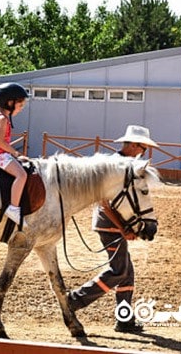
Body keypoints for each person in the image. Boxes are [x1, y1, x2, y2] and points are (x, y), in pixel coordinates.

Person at [67, 124, 159, 333]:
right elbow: (104, 203)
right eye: (143, 148)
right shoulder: (115, 165)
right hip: (108, 225)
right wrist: (122, 227)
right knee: (119, 271)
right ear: (134, 145)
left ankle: (124, 318)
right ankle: (74, 301)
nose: (143, 153)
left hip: (115, 225)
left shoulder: (125, 164)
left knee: (127, 272)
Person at [0, 82, 30, 225]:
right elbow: (0, 142)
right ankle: (13, 208)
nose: (21, 109)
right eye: (20, 105)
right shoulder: (2, 119)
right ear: (10, 103)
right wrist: (16, 153)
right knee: (22, 175)